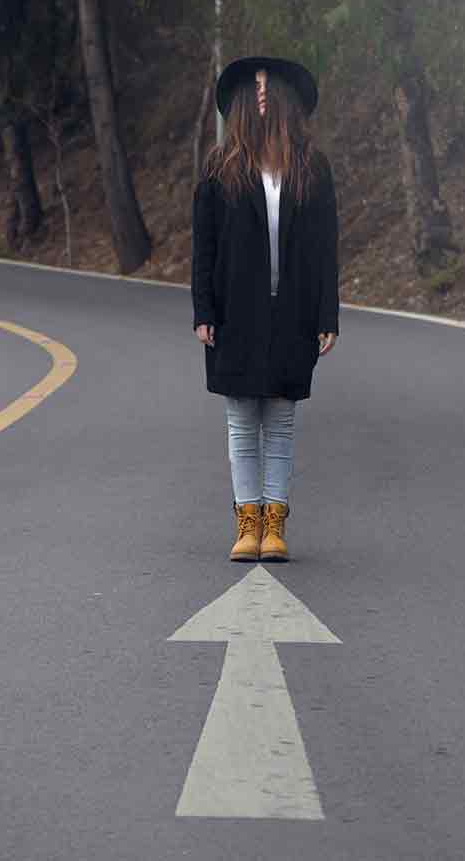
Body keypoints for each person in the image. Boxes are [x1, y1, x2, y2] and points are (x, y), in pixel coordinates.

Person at [191, 55, 339, 564]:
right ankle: (246, 521)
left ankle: (275, 523)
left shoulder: (311, 167)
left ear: (284, 99)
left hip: (293, 311)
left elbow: (325, 247)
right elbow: (204, 247)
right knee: (240, 421)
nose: (259, 92)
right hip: (236, 311)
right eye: (251, 86)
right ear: (238, 103)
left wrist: (327, 316)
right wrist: (203, 310)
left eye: (267, 85)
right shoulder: (218, 169)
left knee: (280, 420)